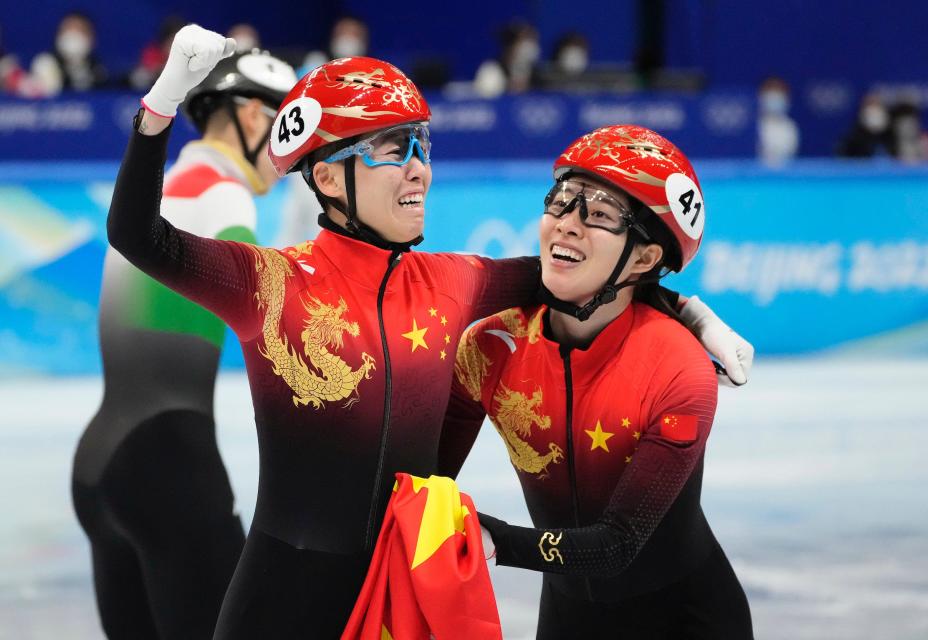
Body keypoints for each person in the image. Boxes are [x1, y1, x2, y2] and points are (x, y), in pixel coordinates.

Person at [109, 26, 751, 637]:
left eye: (423, 147)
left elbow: (582, 269)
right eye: (394, 151)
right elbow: (139, 235)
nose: (419, 169)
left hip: (403, 586)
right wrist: (161, 107)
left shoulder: (454, 283)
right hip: (282, 594)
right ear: (328, 177)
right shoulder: (268, 284)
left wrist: (688, 311)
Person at [439, 125, 753, 638]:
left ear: (646, 258)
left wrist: (494, 538)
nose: (568, 224)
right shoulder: (491, 347)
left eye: (600, 214)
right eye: (562, 202)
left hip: (685, 620)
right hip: (567, 618)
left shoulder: (679, 368)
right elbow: (420, 478)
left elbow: (616, 544)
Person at [71, 46, 298, 639]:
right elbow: (275, 322)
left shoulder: (168, 185)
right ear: (253, 117)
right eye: (290, 125)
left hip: (102, 464)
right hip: (167, 465)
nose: (294, 152)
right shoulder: (223, 193)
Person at [29, 12, 110, 95]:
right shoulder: (46, 63)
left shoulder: (98, 69)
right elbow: (50, 94)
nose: (73, 36)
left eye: (80, 30)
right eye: (68, 29)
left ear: (92, 38)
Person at [756, 76, 799, 166]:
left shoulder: (790, 127)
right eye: (770, 91)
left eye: (778, 92)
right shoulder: (754, 126)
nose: (774, 97)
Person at [837, 92, 894, 158]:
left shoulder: (890, 137)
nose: (874, 112)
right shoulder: (853, 139)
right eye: (870, 105)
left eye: (876, 105)